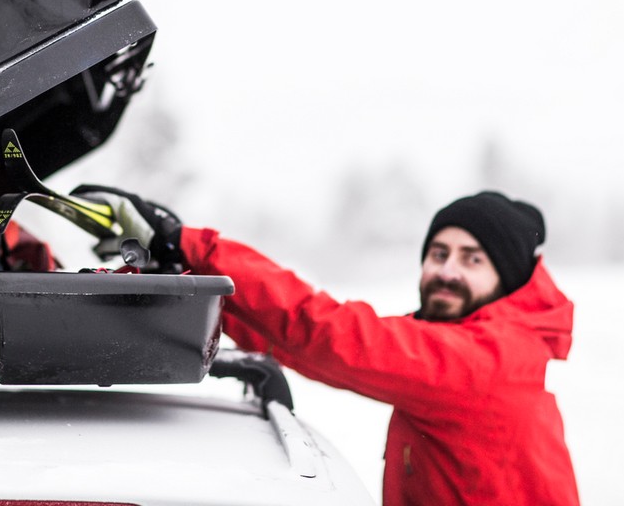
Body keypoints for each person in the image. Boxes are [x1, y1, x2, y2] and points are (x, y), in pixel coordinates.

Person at [72, 186, 580, 506]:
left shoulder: (485, 361)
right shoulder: (472, 348)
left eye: (473, 260)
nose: (446, 270)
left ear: (507, 280)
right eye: (439, 253)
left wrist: (192, 245)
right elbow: (296, 338)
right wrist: (192, 279)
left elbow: (330, 336)